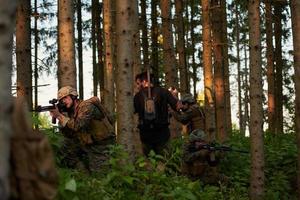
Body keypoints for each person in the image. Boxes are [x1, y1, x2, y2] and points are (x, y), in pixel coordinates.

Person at [50, 86, 115, 172]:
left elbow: (78, 125)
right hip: (87, 142)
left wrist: (59, 116)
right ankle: (83, 175)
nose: (63, 101)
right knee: (65, 153)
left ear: (73, 96)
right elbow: (70, 134)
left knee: (100, 173)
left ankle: (90, 178)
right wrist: (61, 117)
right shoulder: (72, 112)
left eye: (65, 98)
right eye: (61, 100)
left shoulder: (87, 106)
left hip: (101, 144)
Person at [133, 72, 182, 156]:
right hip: (162, 134)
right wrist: (175, 96)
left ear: (144, 81)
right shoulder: (164, 92)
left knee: (149, 162)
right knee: (163, 161)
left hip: (145, 135)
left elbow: (134, 111)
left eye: (139, 83)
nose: (138, 86)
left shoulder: (137, 96)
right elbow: (178, 107)